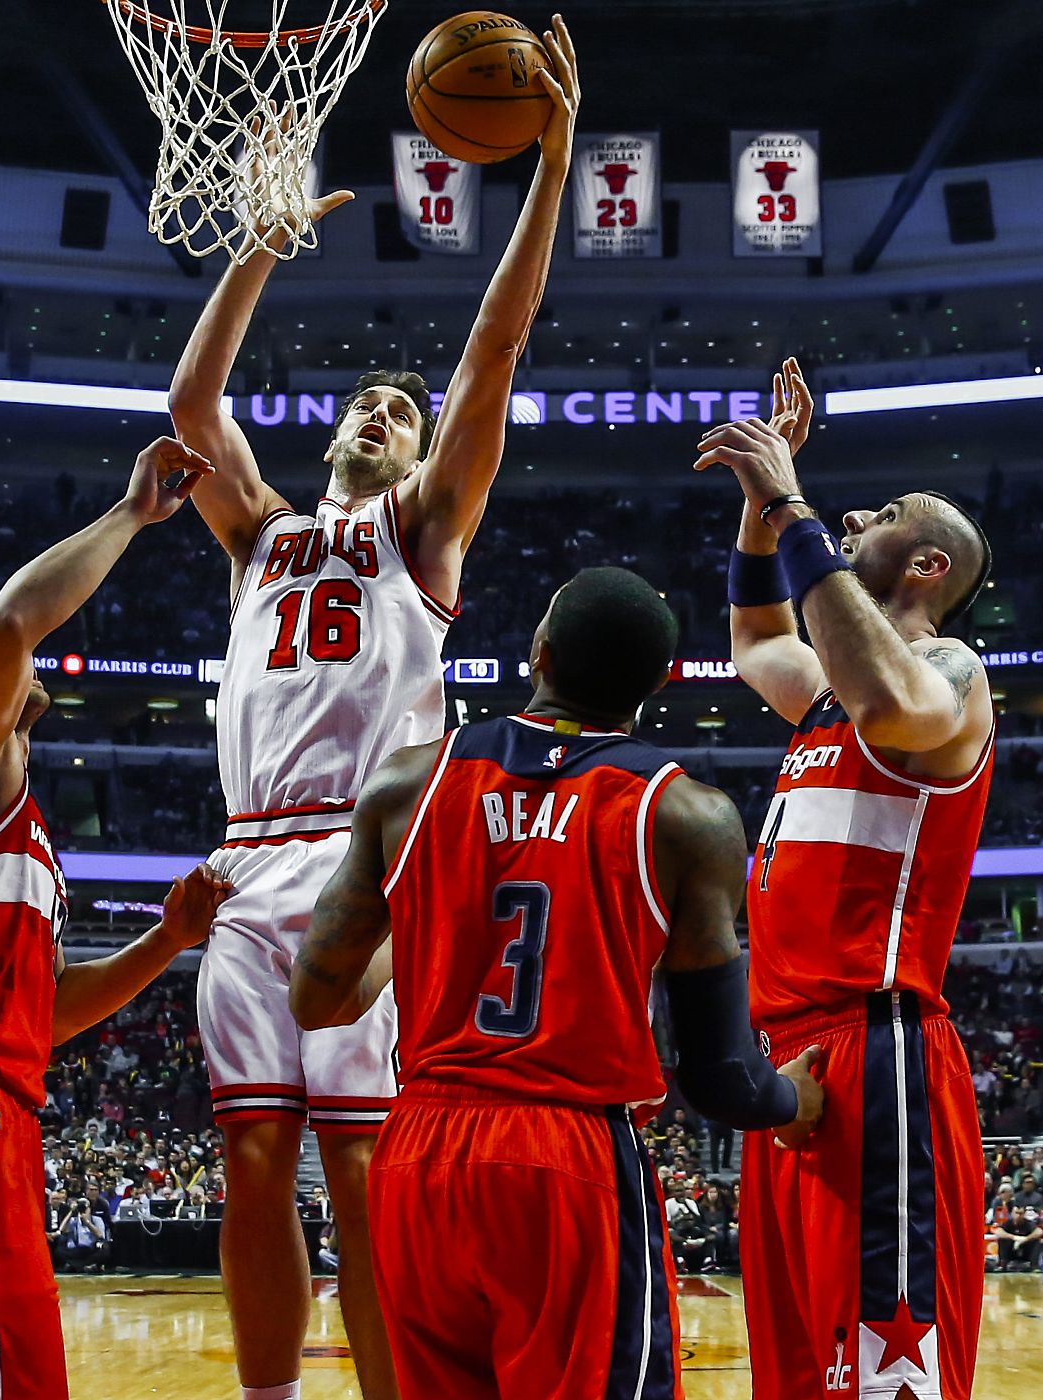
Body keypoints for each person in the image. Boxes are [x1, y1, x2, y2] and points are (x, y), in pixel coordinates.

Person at [166, 19, 582, 1400]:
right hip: (244, 856)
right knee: (248, 1158)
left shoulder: (421, 533)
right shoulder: (261, 533)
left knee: (359, 1163)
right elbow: (189, 401)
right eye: (363, 403)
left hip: (365, 857)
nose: (380, 412)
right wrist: (260, 247)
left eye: (398, 414)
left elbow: (496, 346)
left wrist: (555, 156)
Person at [289, 567, 823, 1398]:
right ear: (657, 685)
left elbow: (316, 999)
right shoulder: (686, 815)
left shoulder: (404, 783)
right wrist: (793, 1101)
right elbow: (717, 1076)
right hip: (566, 1156)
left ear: (538, 652)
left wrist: (437, 929)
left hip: (419, 1155)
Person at [0, 438, 233, 1400]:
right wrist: (130, 516)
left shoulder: (15, 816)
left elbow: (44, 1016)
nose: (7, 651)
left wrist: (168, 939)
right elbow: (18, 620)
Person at [697, 358, 995, 1400]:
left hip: (880, 1052)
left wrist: (790, 504)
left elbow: (896, 708)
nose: (853, 512)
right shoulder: (824, 692)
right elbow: (753, 638)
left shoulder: (951, 671)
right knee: (798, 1369)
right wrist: (756, 512)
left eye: (880, 514)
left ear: (920, 562)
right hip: (788, 1062)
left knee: (883, 1377)